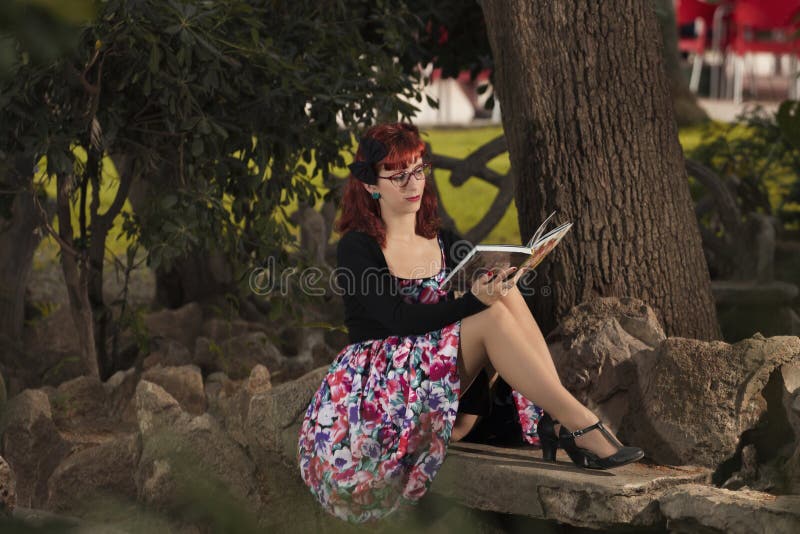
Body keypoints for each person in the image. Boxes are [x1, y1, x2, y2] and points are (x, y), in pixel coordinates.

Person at [296, 122, 644, 524]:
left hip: (433, 371)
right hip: (380, 383)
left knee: (504, 294)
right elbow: (397, 318)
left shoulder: (439, 236)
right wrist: (471, 302)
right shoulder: (358, 245)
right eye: (399, 175)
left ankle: (557, 419)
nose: (413, 183)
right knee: (487, 313)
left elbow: (467, 293)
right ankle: (580, 423)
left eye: (418, 169)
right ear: (372, 185)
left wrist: (500, 277)